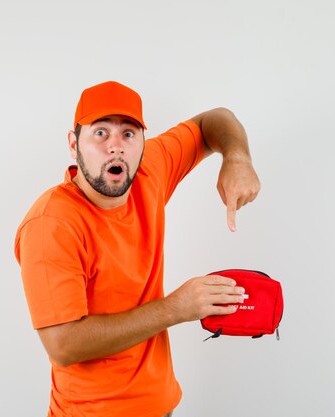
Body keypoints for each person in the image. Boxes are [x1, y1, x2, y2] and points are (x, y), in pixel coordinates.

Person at [14, 81, 260, 417]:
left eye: (128, 134)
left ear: (143, 143)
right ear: (74, 144)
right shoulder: (51, 225)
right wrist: (175, 308)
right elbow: (63, 344)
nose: (115, 147)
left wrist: (237, 156)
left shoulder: (149, 171)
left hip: (161, 405)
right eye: (100, 133)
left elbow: (213, 120)